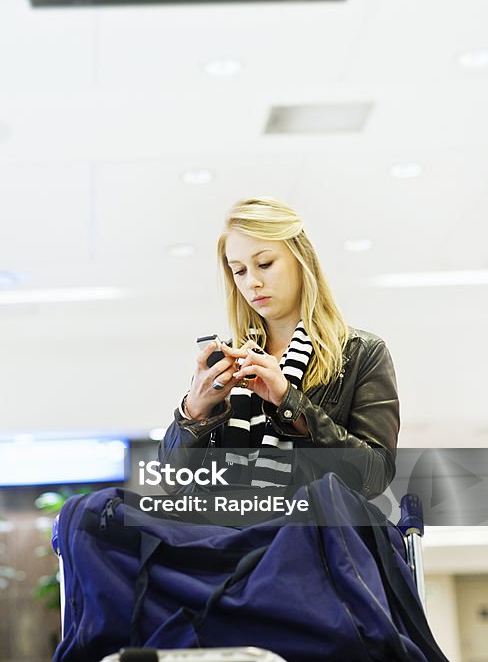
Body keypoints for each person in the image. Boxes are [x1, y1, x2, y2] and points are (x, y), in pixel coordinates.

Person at [159, 196, 399, 499]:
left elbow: (374, 477)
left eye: (264, 264)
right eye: (240, 271)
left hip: (307, 536)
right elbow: (170, 478)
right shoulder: (226, 363)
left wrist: (289, 402)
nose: (252, 282)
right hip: (225, 537)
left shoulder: (361, 352)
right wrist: (194, 409)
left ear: (301, 260)